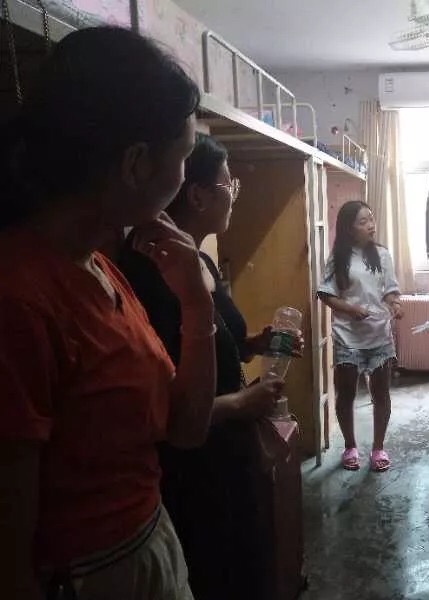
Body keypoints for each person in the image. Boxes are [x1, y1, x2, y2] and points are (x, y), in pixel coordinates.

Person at [0, 27, 214, 599]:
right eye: (184, 156)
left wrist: (196, 302)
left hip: (145, 547)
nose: (184, 177)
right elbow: (9, 557)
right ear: (137, 163)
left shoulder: (98, 267)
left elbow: (185, 428)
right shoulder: (20, 298)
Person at [116, 133, 297, 600]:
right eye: (228, 183)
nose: (234, 194)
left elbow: (221, 346)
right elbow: (162, 409)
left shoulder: (200, 262)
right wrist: (241, 402)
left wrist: (256, 343)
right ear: (196, 195)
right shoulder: (148, 277)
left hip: (230, 454)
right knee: (216, 572)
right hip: (194, 469)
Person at [318, 201, 403, 472]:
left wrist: (395, 304)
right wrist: (350, 309)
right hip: (348, 337)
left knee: (381, 394)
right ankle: (350, 446)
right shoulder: (338, 257)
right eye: (363, 221)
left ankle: (378, 448)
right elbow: (325, 294)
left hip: (379, 335)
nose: (371, 225)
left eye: (371, 219)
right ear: (349, 228)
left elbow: (390, 290)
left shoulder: (382, 255)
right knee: (346, 394)